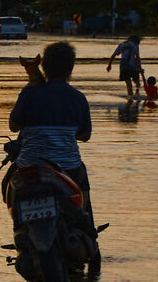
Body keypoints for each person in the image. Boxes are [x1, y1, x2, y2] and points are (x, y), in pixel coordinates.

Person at [8, 40, 95, 210]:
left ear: (44, 66)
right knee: (83, 187)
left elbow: (13, 126)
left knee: (8, 183)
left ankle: (18, 222)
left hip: (29, 166)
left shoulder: (29, 92)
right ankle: (86, 225)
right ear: (70, 68)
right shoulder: (78, 98)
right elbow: (85, 135)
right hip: (69, 167)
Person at [107, 32, 144, 105]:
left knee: (128, 84)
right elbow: (137, 57)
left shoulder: (122, 44)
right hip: (133, 66)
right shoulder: (135, 45)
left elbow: (113, 55)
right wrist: (140, 68)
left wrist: (109, 65)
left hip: (124, 66)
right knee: (137, 82)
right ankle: (137, 94)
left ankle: (130, 97)